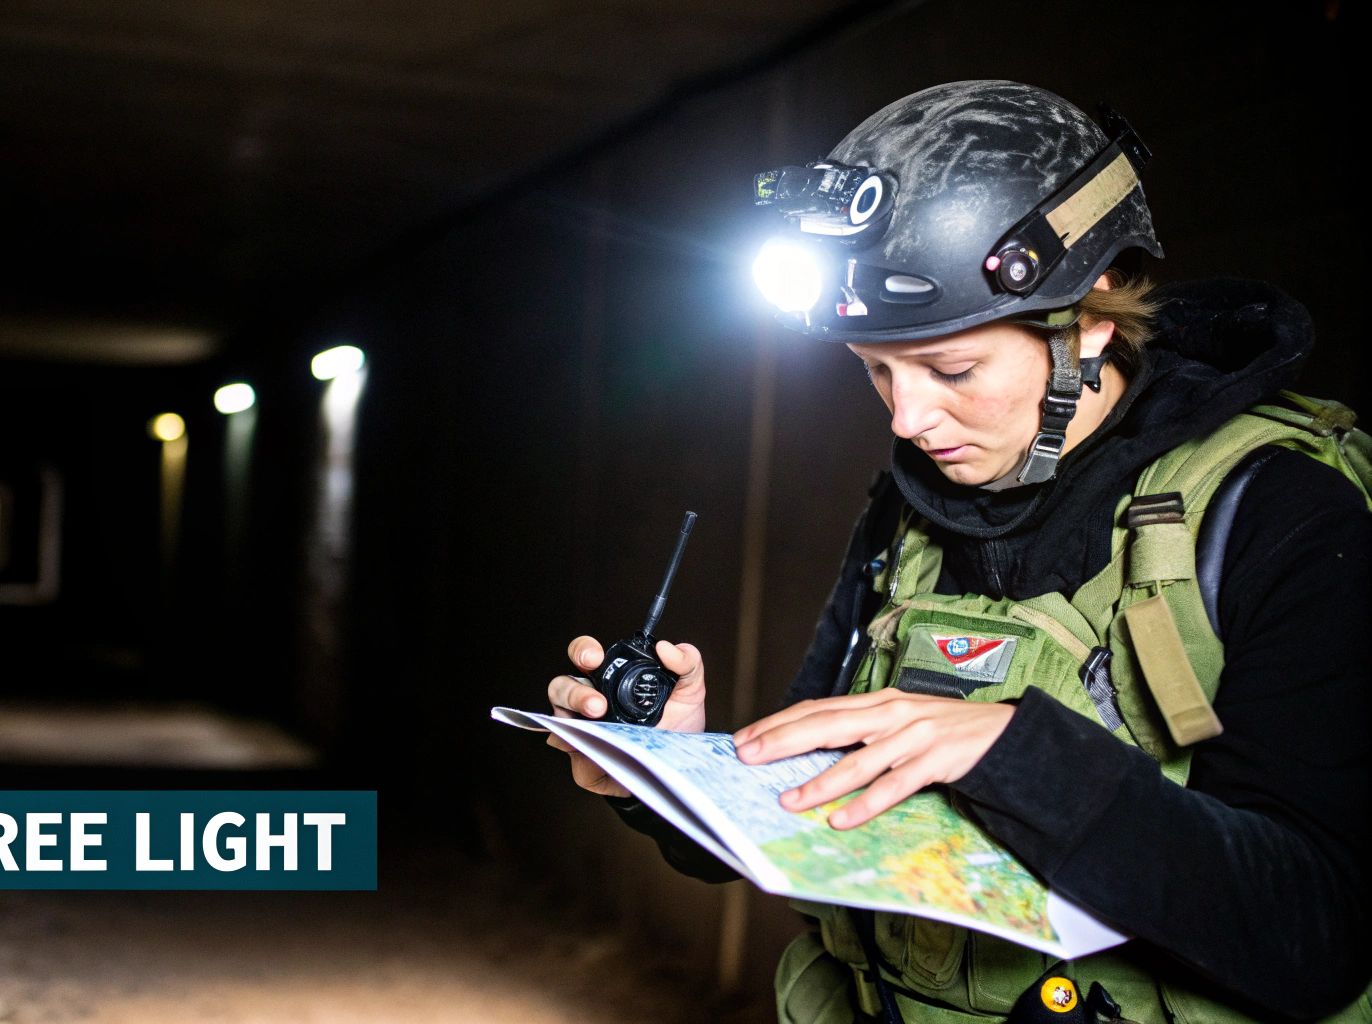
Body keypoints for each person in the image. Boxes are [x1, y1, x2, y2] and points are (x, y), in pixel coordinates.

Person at [543, 81, 1372, 1023]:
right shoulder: (908, 515)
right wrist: (672, 776)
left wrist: (1018, 754)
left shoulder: (1282, 515)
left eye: (953, 370)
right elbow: (819, 817)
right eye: (876, 373)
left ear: (1089, 322)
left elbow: (1319, 938)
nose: (908, 418)